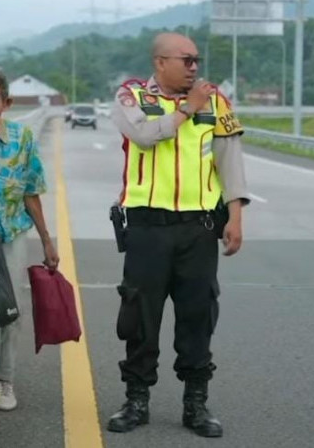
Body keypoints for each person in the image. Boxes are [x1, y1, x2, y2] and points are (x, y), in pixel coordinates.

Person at [106, 32, 249, 438]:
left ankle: (196, 403)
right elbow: (145, 137)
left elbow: (230, 163)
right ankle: (136, 399)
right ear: (160, 62)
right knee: (140, 315)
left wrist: (235, 217)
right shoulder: (133, 97)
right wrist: (187, 109)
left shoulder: (215, 100)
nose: (194, 67)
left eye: (196, 60)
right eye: (186, 60)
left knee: (197, 315)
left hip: (199, 228)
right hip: (147, 228)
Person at [0, 67, 59, 420]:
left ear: (6, 103)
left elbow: (31, 191)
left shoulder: (22, 139)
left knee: (10, 310)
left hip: (13, 233)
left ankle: (5, 381)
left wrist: (47, 241)